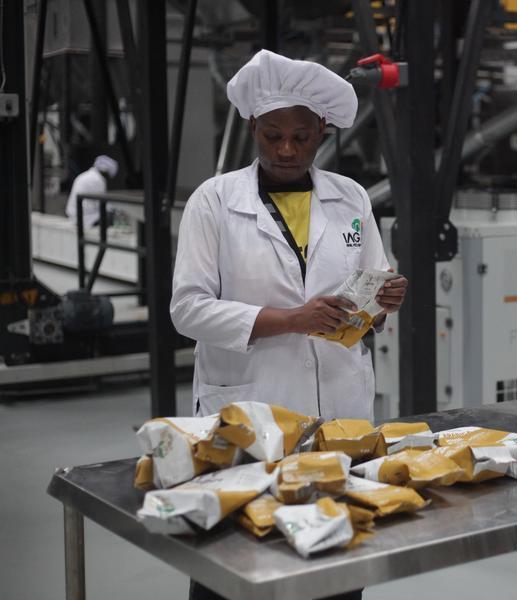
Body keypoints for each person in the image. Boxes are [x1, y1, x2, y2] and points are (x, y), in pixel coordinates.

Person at [171, 50, 407, 600]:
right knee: (237, 563)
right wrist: (289, 320)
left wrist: (386, 298)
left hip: (339, 412)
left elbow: (373, 282)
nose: (286, 149)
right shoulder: (214, 202)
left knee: (335, 565)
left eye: (301, 137)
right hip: (249, 412)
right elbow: (187, 309)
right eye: (272, 135)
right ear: (253, 127)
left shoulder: (350, 197)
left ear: (322, 131)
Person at [64, 154, 118, 227]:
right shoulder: (97, 180)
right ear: (106, 172)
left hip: (74, 215)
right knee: (110, 215)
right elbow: (100, 203)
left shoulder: (87, 175)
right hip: (84, 217)